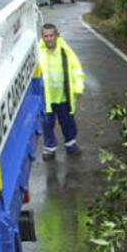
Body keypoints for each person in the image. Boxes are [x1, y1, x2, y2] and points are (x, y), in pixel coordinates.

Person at [37, 23, 85, 160]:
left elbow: (76, 69)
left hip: (64, 96)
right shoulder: (38, 53)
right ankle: (49, 148)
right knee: (47, 124)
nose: (49, 39)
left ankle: (71, 143)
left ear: (56, 35)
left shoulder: (65, 51)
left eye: (51, 35)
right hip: (47, 98)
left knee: (68, 121)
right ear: (42, 37)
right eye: (45, 36)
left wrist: (78, 87)